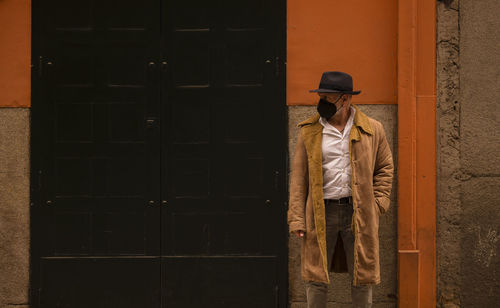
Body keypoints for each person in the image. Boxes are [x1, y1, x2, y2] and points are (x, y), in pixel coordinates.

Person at [287, 71, 394, 308]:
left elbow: (385, 167)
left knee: (362, 274)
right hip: (320, 211)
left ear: (345, 99)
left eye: (327, 98)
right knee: (315, 275)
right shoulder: (310, 131)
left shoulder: (372, 129)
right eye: (321, 97)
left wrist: (378, 204)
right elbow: (299, 178)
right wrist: (297, 219)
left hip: (359, 212)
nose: (322, 103)